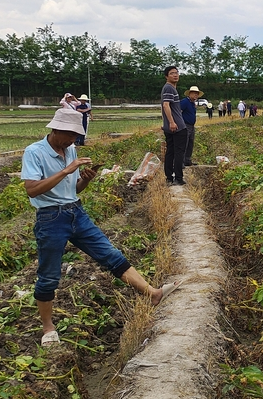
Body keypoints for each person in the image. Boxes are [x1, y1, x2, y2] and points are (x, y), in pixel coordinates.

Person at [21, 109, 181, 348]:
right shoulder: (34, 152)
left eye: (76, 136)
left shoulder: (70, 150)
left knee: (110, 255)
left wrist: (86, 178)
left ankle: (153, 294)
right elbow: (32, 189)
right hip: (50, 218)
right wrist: (66, 169)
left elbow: (73, 189)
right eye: (70, 135)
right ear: (55, 130)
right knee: (49, 276)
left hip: (76, 212)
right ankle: (48, 328)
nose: (73, 141)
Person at [161, 66, 187, 186]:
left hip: (170, 126)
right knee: (178, 152)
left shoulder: (170, 88)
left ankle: (169, 178)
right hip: (177, 127)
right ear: (167, 76)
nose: (175, 75)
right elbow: (166, 105)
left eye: (176, 73)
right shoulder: (169, 88)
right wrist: (172, 122)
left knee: (170, 152)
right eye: (172, 73)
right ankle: (178, 178)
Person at [180, 86, 201, 166]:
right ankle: (180, 162)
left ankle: (187, 160)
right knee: (184, 143)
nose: (196, 95)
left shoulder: (192, 103)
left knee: (190, 143)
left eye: (197, 94)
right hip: (185, 125)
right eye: (194, 93)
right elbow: (178, 111)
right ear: (190, 93)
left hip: (191, 125)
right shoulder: (185, 102)